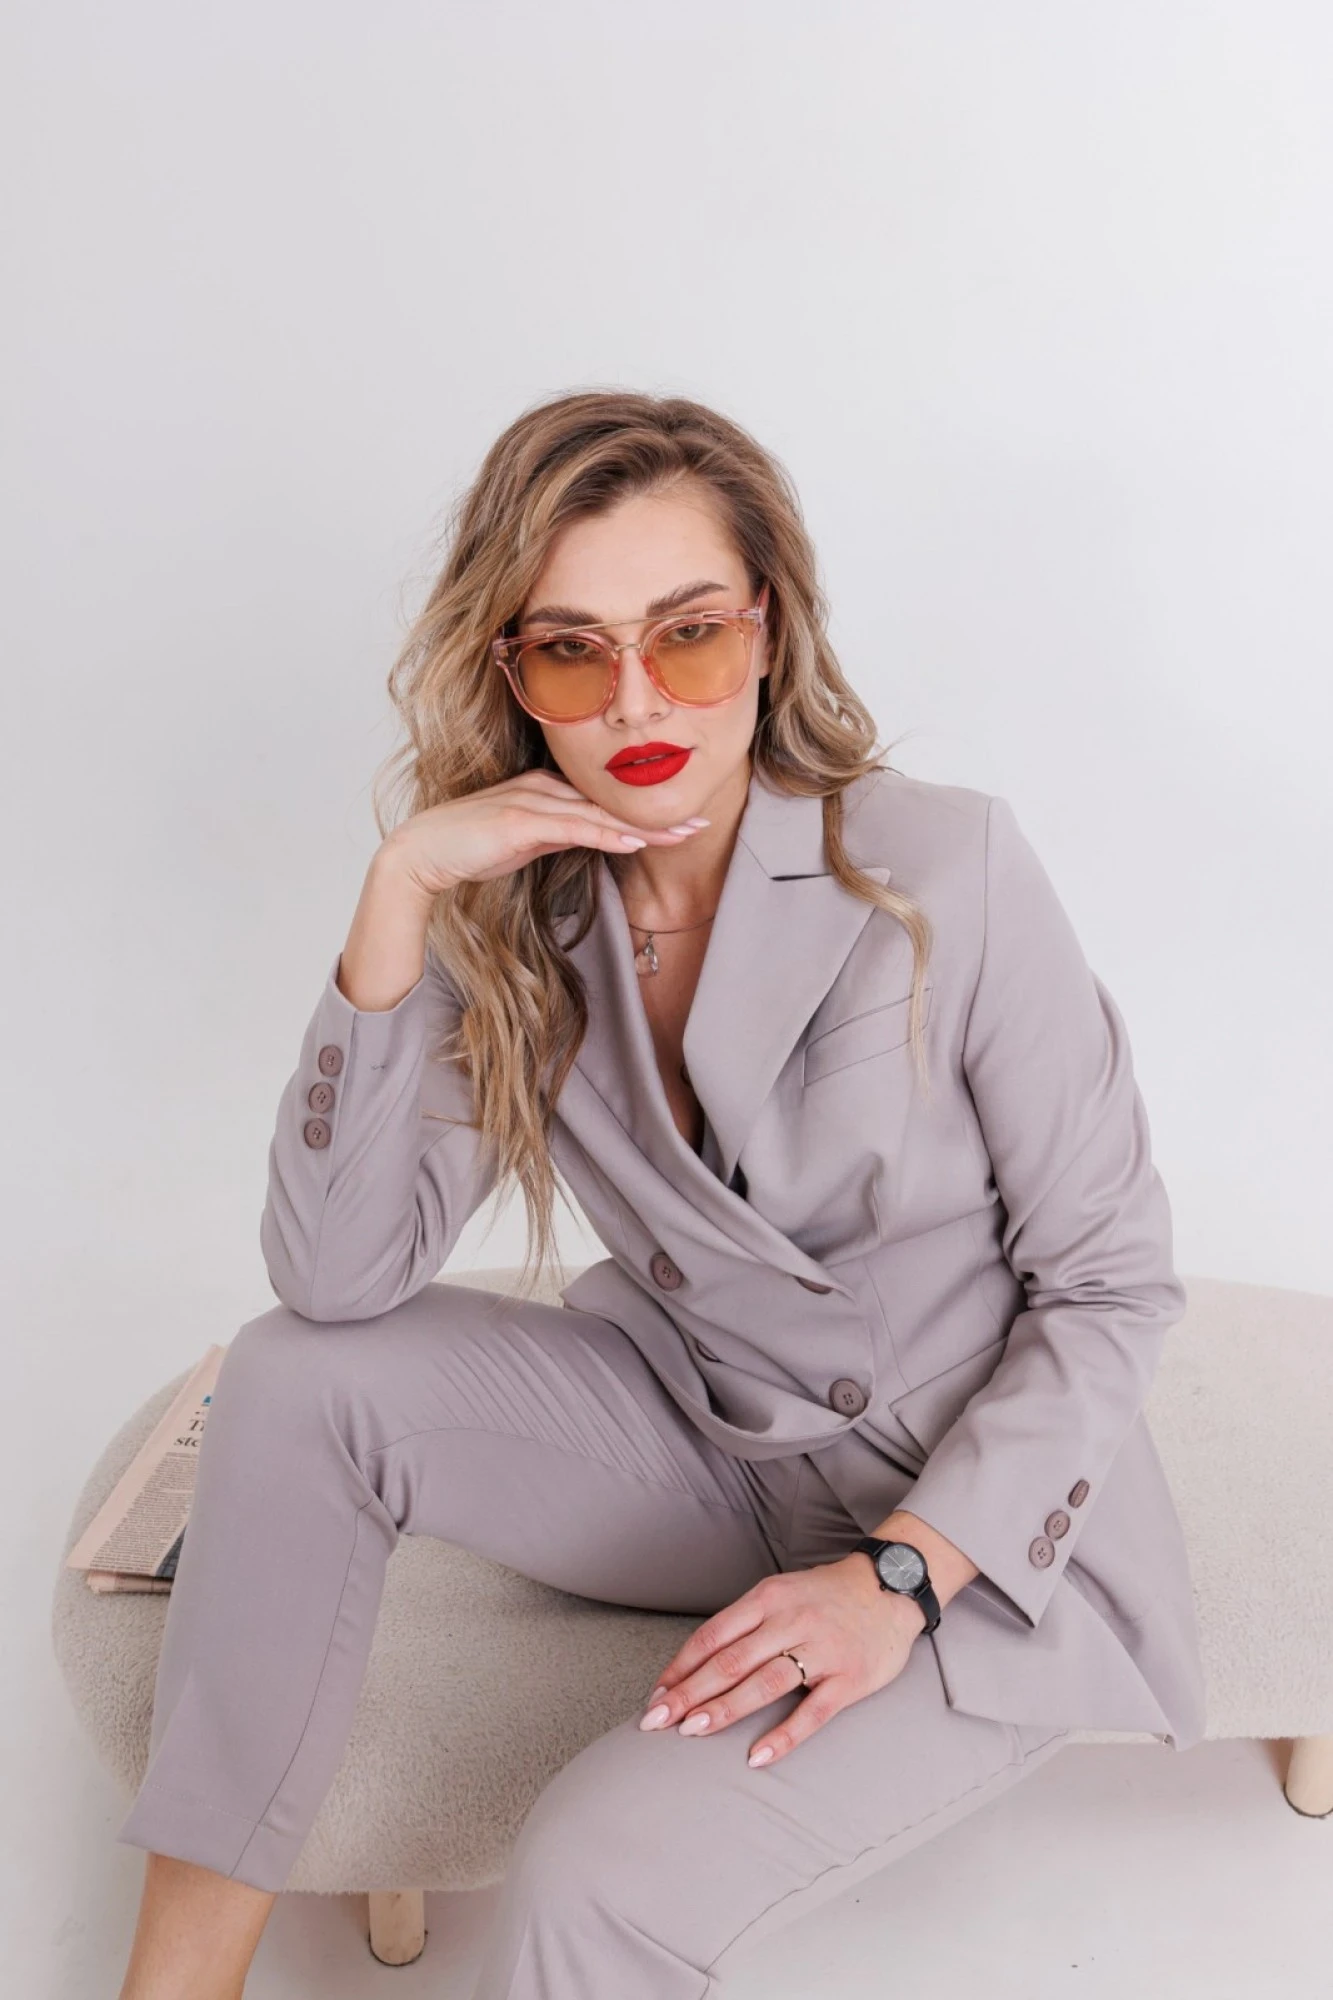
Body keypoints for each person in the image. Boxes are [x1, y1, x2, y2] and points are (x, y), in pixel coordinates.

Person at [113, 390, 1203, 1999]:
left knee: (595, 1872)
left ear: (768, 630)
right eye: (572, 651)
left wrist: (900, 1575)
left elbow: (1112, 1286)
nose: (635, 698)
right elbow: (337, 1277)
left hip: (964, 1542)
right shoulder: (511, 916)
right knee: (293, 1373)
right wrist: (400, 892)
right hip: (709, 1452)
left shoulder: (945, 869)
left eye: (687, 635)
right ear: (511, 672)